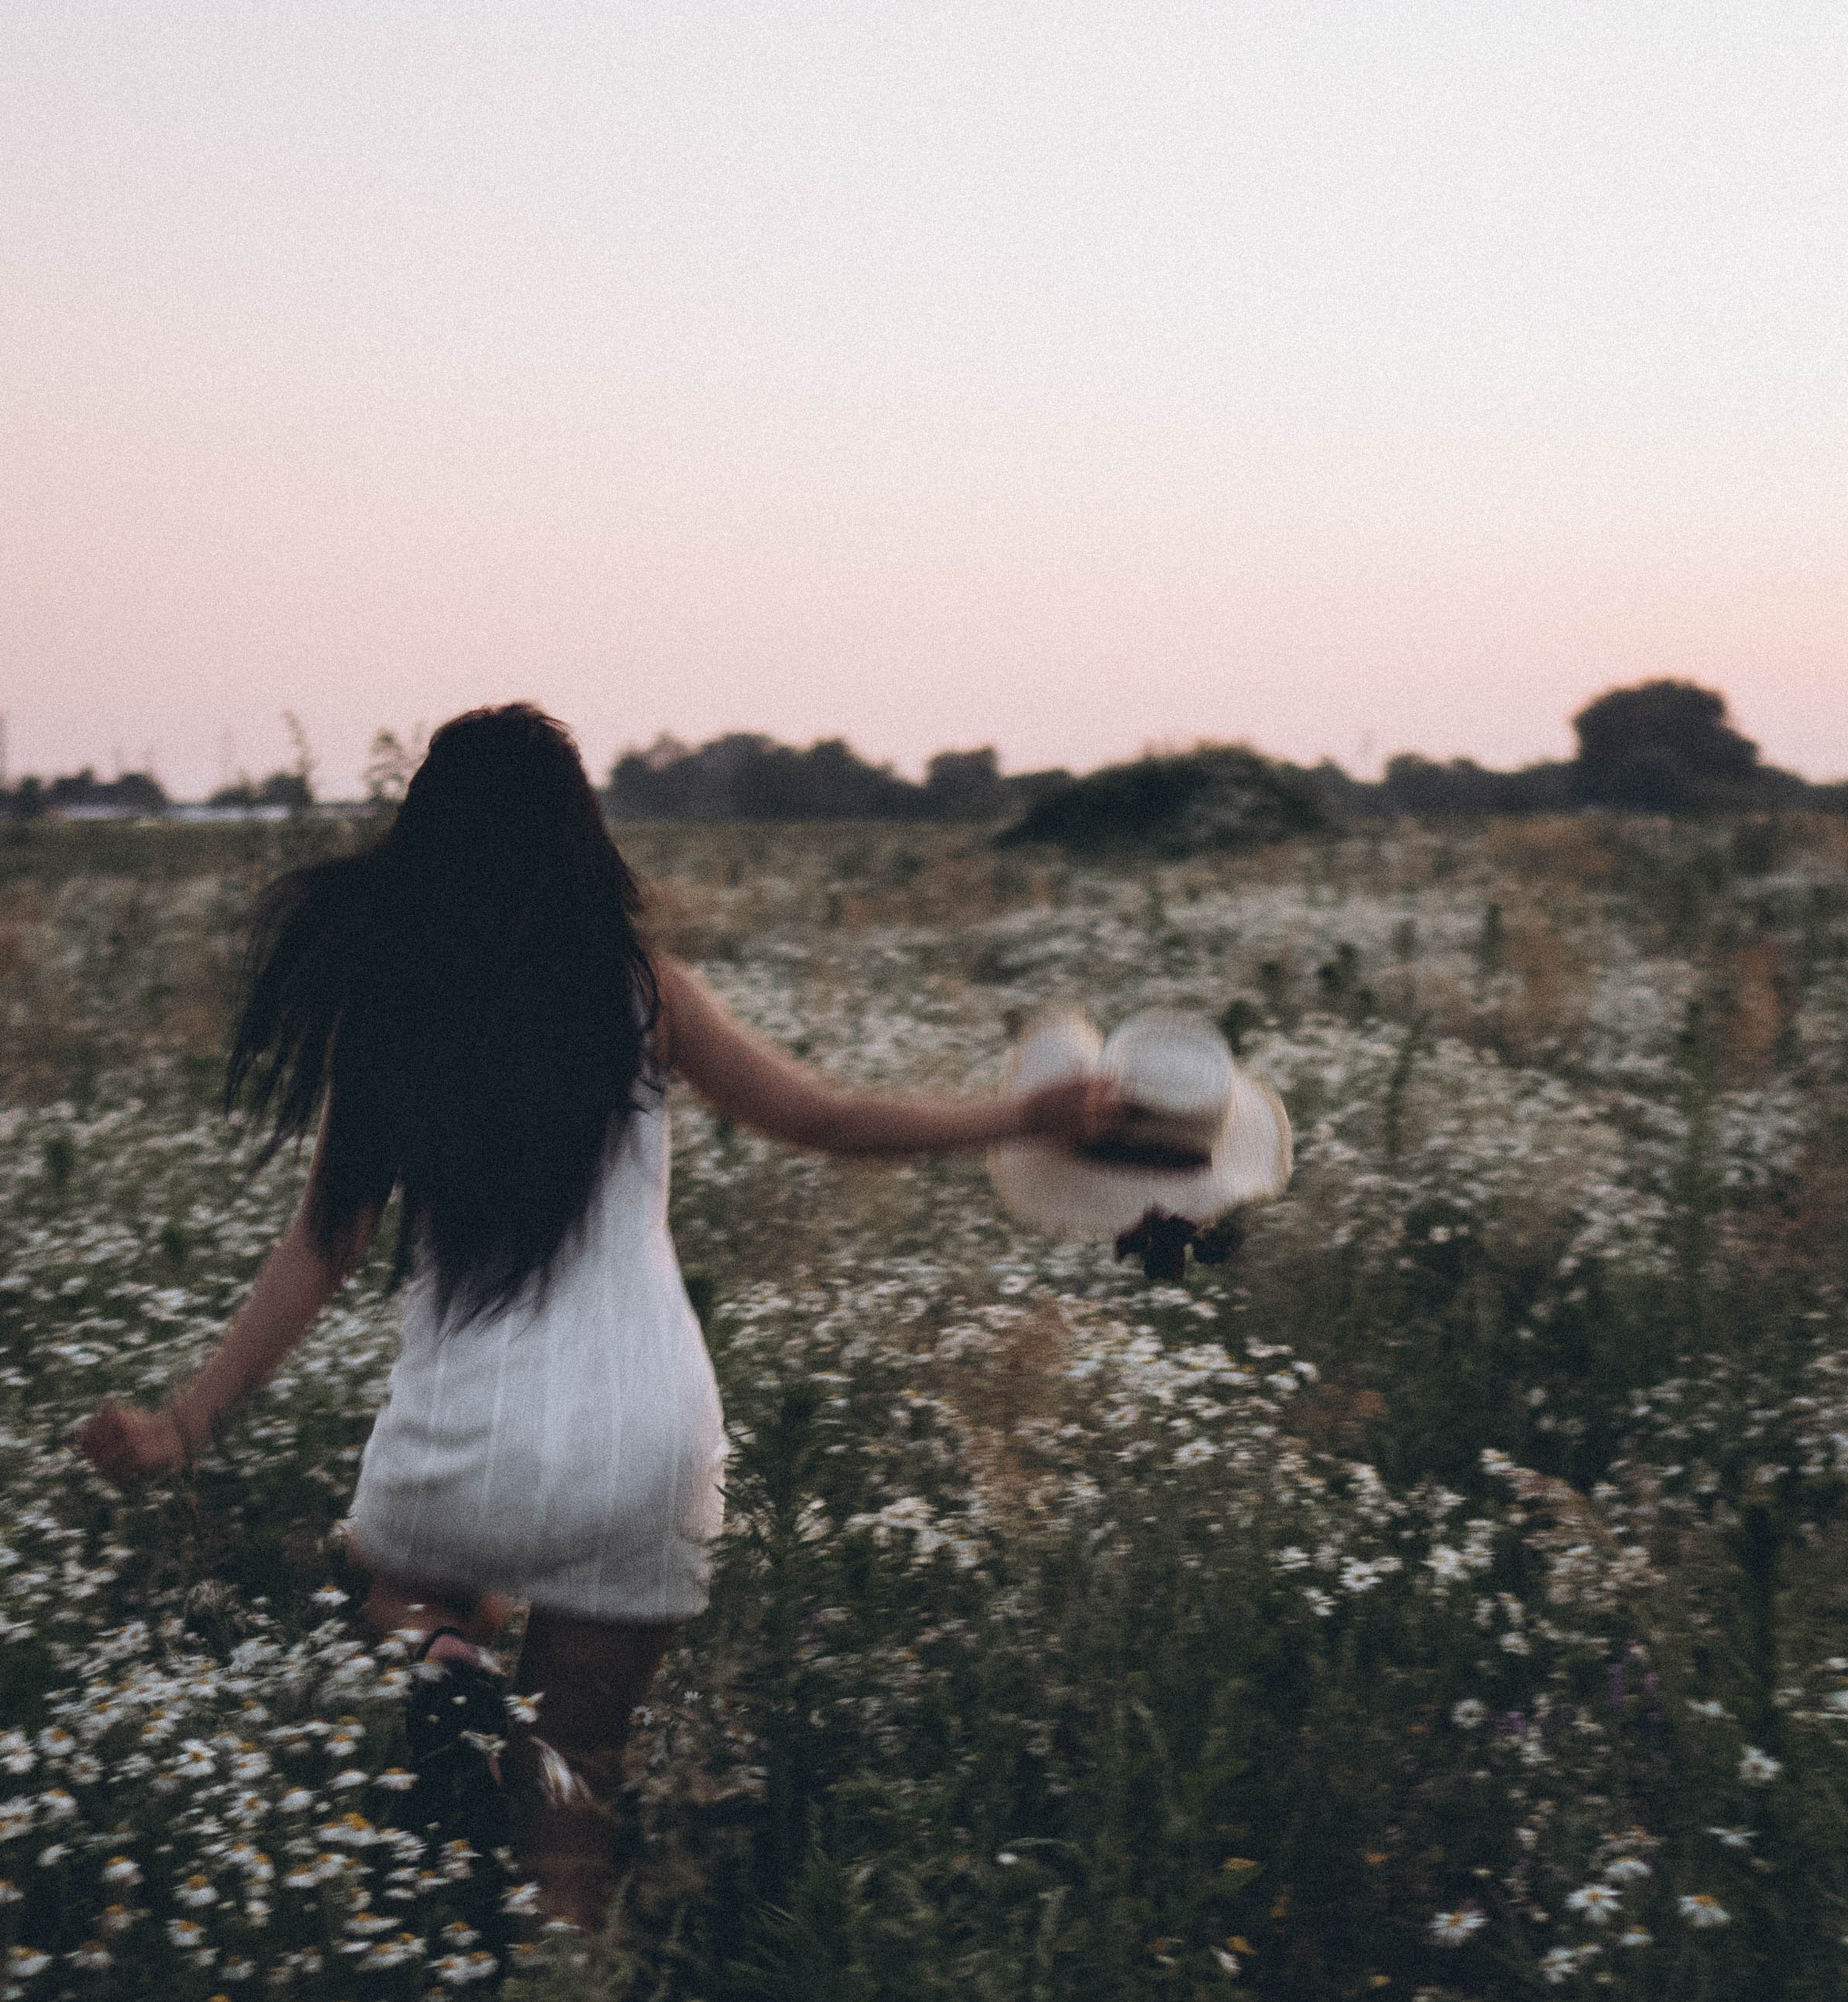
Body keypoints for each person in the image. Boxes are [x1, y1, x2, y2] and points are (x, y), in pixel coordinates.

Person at [74, 706, 1119, 1927]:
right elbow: (827, 1120)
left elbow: (323, 1243)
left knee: (392, 1584)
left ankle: (441, 1656)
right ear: (579, 837)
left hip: (466, 1440)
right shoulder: (643, 994)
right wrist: (1021, 1118)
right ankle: (565, 2000)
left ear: (428, 834)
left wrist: (187, 1420)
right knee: (576, 1779)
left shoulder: (393, 1009)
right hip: (644, 1435)